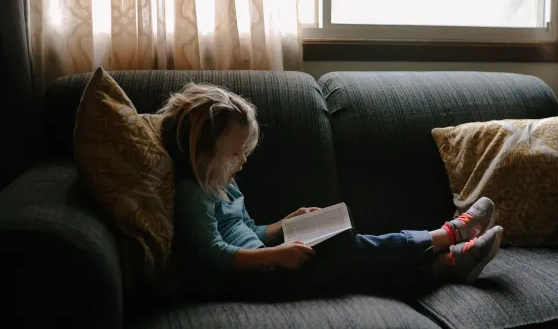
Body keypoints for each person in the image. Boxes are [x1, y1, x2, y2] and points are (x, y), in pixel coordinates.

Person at [158, 83, 504, 300]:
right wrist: (277, 255)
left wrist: (285, 224)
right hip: (252, 281)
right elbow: (216, 253)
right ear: (202, 153)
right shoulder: (193, 194)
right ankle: (448, 235)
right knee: (348, 252)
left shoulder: (225, 183)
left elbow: (251, 232)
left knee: (350, 258)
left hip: (266, 265)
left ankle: (447, 265)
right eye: (234, 154)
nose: (243, 161)